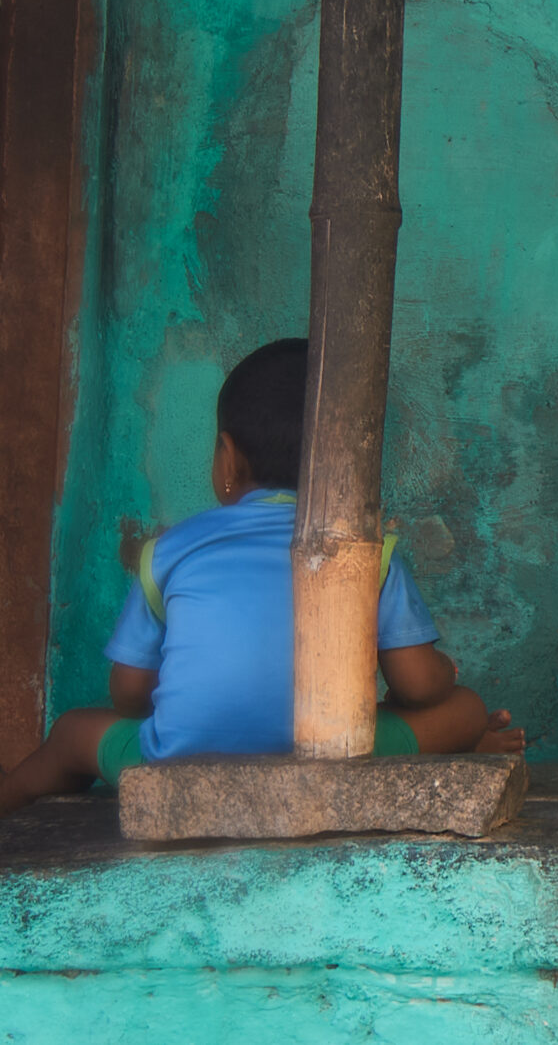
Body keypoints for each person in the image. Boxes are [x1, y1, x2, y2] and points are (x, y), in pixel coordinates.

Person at [0, 338, 522, 817]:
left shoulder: (169, 551)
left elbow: (129, 694)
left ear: (227, 459)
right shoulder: (368, 550)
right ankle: (463, 743)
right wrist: (442, 672)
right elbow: (417, 684)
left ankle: (10, 800)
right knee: (464, 708)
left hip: (175, 762)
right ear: (351, 462)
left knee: (72, 731)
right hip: (336, 757)